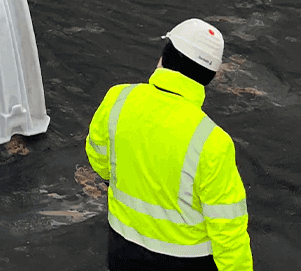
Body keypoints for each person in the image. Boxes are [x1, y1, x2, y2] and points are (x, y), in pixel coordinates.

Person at [86, 19, 252, 270]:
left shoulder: (118, 99)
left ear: (163, 56)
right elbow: (228, 227)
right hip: (187, 261)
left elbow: (98, 156)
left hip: (123, 247)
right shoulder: (212, 141)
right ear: (210, 77)